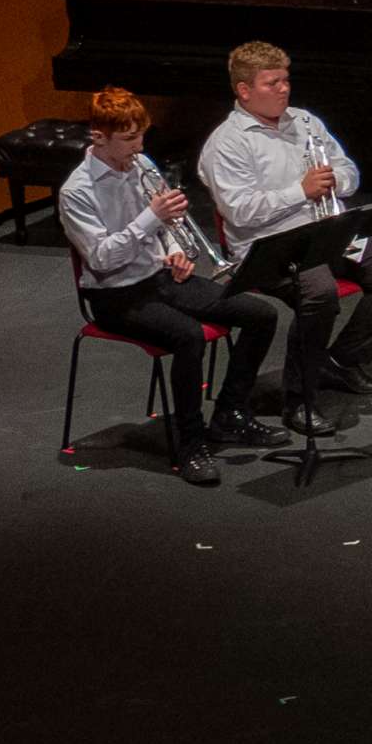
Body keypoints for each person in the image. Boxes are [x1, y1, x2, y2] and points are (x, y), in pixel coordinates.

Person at [58, 89, 288, 479]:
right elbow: (101, 258)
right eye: (129, 139)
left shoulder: (141, 165)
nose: (139, 147)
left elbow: (168, 226)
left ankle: (230, 413)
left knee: (259, 314)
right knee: (188, 337)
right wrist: (151, 218)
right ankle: (190, 444)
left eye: (141, 136)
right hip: (114, 296)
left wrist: (174, 249)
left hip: (160, 278)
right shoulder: (77, 192)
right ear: (99, 137)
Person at [201, 41, 372, 410]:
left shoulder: (304, 121)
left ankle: (340, 361)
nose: (283, 89)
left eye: (285, 80)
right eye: (271, 83)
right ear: (244, 91)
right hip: (271, 246)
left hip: (329, 230)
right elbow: (240, 212)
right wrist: (300, 191)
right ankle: (298, 397)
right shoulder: (226, 144)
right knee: (319, 293)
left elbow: (350, 172)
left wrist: (336, 181)